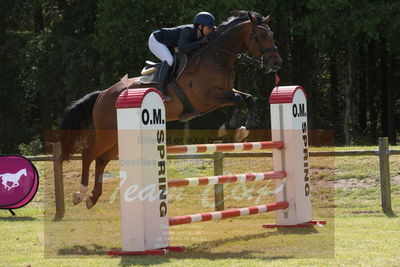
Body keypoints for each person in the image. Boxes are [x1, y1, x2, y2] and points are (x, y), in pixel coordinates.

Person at [148, 12, 216, 97]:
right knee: (169, 60)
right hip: (156, 40)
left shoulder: (201, 34)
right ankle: (160, 90)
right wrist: (199, 43)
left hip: (169, 44)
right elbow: (182, 48)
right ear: (200, 26)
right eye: (209, 28)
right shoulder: (187, 30)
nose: (210, 30)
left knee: (175, 60)